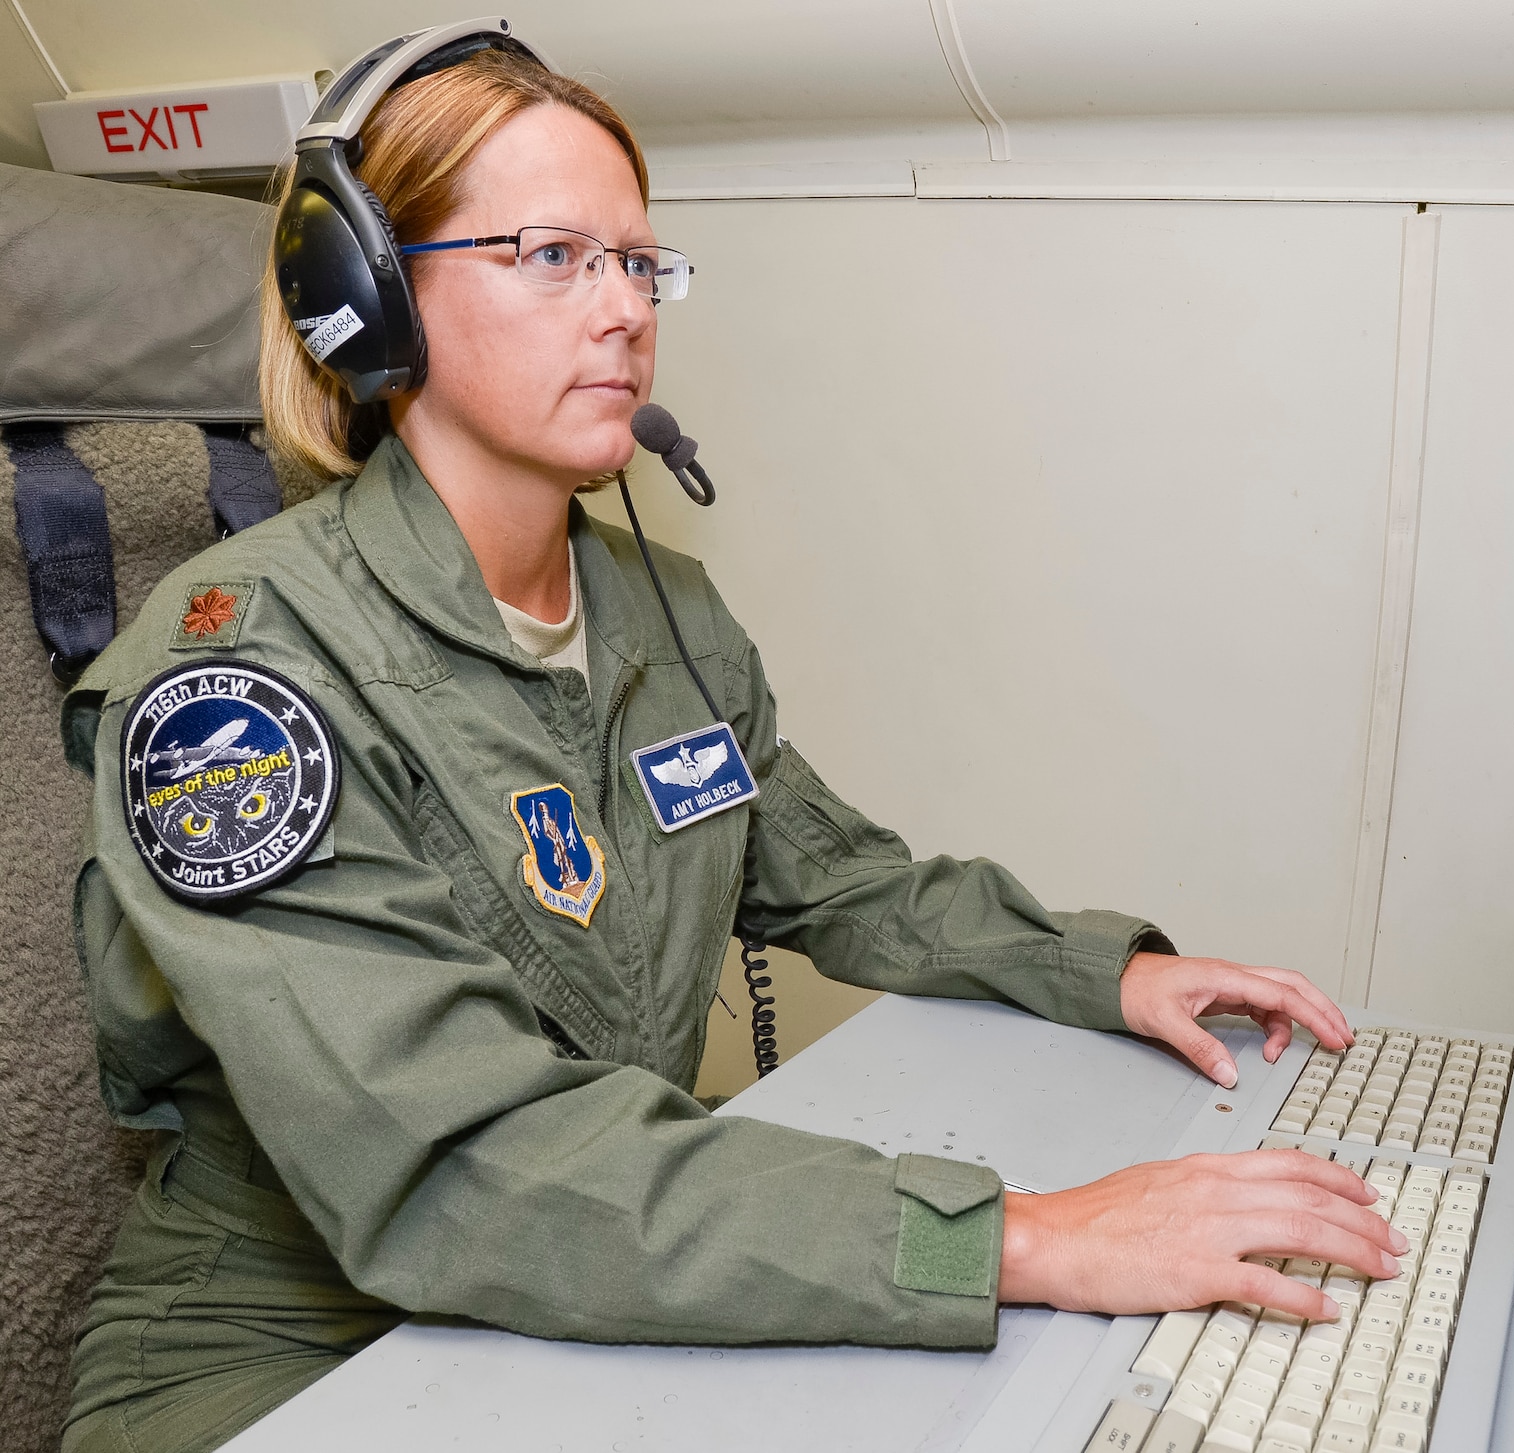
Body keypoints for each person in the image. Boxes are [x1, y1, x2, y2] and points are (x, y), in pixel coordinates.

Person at [60, 40, 1400, 1453]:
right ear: (368, 299)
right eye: (553, 255)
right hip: (289, 1349)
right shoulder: (237, 686)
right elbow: (469, 1168)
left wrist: (1105, 969)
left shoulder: (660, 608)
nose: (624, 311)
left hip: (580, 1269)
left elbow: (834, 878)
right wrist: (1023, 1237)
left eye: (641, 263)